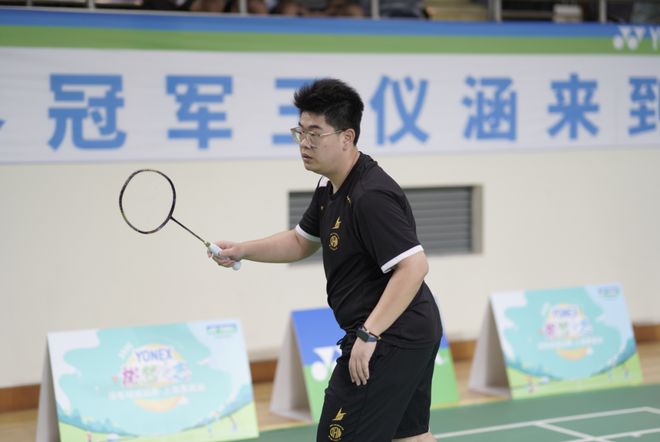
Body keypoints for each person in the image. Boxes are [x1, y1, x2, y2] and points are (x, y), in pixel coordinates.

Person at [211, 78, 441, 442]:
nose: (304, 143)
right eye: (300, 132)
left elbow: (414, 266)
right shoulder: (330, 186)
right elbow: (300, 242)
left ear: (347, 137)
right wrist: (242, 250)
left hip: (389, 334)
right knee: (409, 437)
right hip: (409, 329)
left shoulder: (369, 196)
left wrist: (368, 334)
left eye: (315, 133)